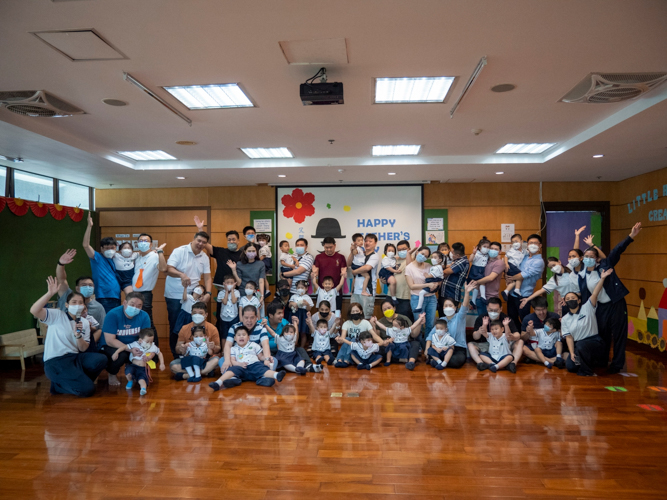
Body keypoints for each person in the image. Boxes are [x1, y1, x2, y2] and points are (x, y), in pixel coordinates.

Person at [576, 222, 642, 374]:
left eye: (591, 256)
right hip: (601, 307)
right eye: (585, 257)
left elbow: (617, 250)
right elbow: (585, 294)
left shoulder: (606, 265)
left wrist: (631, 235)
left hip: (616, 303)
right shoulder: (582, 276)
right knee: (602, 334)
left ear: (597, 259)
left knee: (619, 334)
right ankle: (602, 360)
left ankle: (617, 364)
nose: (587, 259)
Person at [30, 277, 107, 397]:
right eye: (74, 302)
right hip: (56, 361)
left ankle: (79, 380)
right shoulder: (56, 315)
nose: (77, 305)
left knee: (101, 359)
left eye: (80, 303)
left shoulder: (85, 323)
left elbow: (82, 348)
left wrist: (78, 335)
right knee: (88, 391)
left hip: (75, 358)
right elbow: (34, 310)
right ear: (67, 304)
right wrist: (49, 293)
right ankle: (59, 386)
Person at [165, 231, 212, 355]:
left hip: (194, 296)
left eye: (204, 242)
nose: (201, 244)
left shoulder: (204, 257)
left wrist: (208, 294)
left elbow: (207, 277)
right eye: (199, 241)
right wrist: (181, 275)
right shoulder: (179, 251)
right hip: (175, 295)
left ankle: (192, 353)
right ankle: (177, 355)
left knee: (193, 325)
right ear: (193, 239)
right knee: (176, 326)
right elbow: (167, 270)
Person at [194, 216, 243, 330]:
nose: (231, 241)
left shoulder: (242, 255)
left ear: (238, 241)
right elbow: (205, 245)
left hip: (237, 290)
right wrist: (200, 229)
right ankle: (221, 340)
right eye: (229, 239)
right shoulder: (221, 251)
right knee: (221, 316)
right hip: (221, 289)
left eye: (233, 239)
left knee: (235, 316)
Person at [563, 268, 614, 376]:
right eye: (568, 299)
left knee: (581, 345)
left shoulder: (587, 307)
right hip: (579, 346)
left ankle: (586, 372)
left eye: (573, 298)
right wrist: (572, 353)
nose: (570, 300)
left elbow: (595, 292)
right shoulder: (565, 319)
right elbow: (569, 337)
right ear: (565, 302)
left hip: (595, 342)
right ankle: (586, 362)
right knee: (571, 366)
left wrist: (602, 278)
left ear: (579, 300)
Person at [209, 325, 286, 391]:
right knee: (231, 370)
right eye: (239, 335)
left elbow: (260, 356)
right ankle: (218, 383)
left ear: (248, 337)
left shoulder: (254, 345)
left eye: (244, 335)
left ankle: (276, 375)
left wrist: (267, 358)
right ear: (235, 338)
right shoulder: (233, 348)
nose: (241, 336)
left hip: (254, 365)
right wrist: (239, 364)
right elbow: (232, 361)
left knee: (262, 368)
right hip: (240, 367)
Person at [100, 292, 151, 386]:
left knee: (149, 354)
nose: (135, 308)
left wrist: (143, 349)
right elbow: (110, 340)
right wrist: (130, 349)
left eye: (139, 306)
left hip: (134, 345)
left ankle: (135, 371)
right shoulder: (113, 314)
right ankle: (112, 373)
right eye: (132, 304)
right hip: (112, 346)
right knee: (121, 355)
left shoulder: (144, 316)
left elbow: (145, 337)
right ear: (125, 303)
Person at [427, 281, 476, 369]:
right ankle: (441, 361)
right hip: (442, 348)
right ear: (443, 308)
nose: (448, 307)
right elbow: (430, 335)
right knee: (430, 353)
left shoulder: (459, 317)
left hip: (458, 348)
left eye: (451, 305)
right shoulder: (442, 320)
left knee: (456, 361)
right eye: (446, 305)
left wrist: (467, 292)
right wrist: (427, 349)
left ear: (455, 307)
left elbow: (464, 306)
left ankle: (439, 362)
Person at [55, 248, 106, 327]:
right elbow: (61, 280)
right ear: (77, 288)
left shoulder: (98, 307)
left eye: (90, 285)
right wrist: (60, 264)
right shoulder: (67, 295)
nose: (88, 287)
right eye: (84, 285)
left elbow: (101, 329)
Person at [131, 233, 167, 343]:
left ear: (150, 244)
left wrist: (160, 252)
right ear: (137, 244)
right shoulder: (137, 257)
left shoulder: (154, 256)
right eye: (141, 241)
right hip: (133, 293)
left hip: (145, 294)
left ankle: (154, 349)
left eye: (146, 241)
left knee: (148, 322)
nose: (143, 243)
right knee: (136, 321)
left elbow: (163, 268)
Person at [82, 212, 121, 312]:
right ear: (102, 249)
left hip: (116, 296)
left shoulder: (117, 258)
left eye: (112, 248)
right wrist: (89, 226)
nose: (110, 250)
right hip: (103, 297)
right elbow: (86, 245)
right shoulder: (97, 258)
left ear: (116, 248)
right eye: (107, 248)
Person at [468, 297, 520, 371]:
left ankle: (512, 364)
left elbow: (517, 335)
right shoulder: (482, 318)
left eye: (495, 310)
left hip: (503, 345)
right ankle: (481, 364)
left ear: (501, 309)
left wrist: (512, 337)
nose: (493, 312)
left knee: (520, 342)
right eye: (490, 310)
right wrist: (480, 331)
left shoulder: (506, 319)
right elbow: (475, 337)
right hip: (486, 345)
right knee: (470, 345)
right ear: (487, 308)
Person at [171, 303, 221, 380]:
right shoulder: (184, 328)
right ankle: (203, 373)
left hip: (204, 360)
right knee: (173, 365)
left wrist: (213, 347)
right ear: (191, 313)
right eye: (194, 313)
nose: (197, 315)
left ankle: (187, 375)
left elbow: (218, 348)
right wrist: (182, 349)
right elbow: (177, 348)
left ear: (206, 314)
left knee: (217, 360)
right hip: (189, 360)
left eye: (200, 313)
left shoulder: (212, 328)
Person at [219, 305, 273, 374]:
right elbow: (228, 345)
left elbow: (265, 344)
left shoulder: (261, 328)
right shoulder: (234, 327)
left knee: (273, 360)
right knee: (222, 360)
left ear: (256, 317)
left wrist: (267, 359)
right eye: (246, 318)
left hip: (255, 361)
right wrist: (227, 361)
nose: (249, 321)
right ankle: (258, 375)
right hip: (238, 361)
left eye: (252, 318)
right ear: (242, 317)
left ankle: (239, 375)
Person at [506, 234, 545, 328]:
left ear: (540, 245)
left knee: (525, 320)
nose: (533, 245)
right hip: (512, 293)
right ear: (527, 244)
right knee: (512, 318)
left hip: (524, 295)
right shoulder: (524, 256)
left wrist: (510, 278)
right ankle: (517, 337)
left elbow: (522, 275)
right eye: (530, 243)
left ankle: (527, 340)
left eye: (535, 243)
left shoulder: (539, 261)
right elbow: (512, 265)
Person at [111, 328, 165, 395]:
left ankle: (143, 389)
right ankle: (130, 381)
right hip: (133, 366)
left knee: (142, 380)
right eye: (147, 341)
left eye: (151, 341)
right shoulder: (135, 344)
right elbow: (124, 347)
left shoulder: (152, 347)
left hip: (142, 368)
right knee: (128, 373)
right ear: (140, 340)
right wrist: (116, 352)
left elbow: (160, 353)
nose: (150, 343)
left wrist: (162, 363)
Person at [334, 303, 384, 367]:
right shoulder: (346, 323)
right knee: (347, 339)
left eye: (357, 311)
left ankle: (347, 360)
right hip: (351, 344)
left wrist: (382, 342)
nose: (355, 313)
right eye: (353, 311)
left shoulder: (365, 323)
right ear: (350, 313)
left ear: (361, 311)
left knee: (354, 339)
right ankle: (340, 360)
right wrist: (338, 339)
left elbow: (374, 335)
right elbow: (342, 338)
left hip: (361, 348)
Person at [376, 299, 420, 369]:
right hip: (390, 346)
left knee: (415, 344)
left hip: (404, 345)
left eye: (389, 308)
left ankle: (411, 362)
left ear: (394, 308)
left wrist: (420, 323)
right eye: (384, 309)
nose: (387, 310)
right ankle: (402, 359)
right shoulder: (380, 322)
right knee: (378, 349)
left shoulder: (404, 318)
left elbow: (413, 334)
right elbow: (377, 338)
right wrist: (385, 342)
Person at [404, 246, 438, 335]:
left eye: (426, 256)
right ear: (417, 252)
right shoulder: (409, 268)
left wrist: (435, 284)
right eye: (422, 254)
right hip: (417, 298)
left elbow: (435, 279)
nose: (423, 257)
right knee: (418, 323)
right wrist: (427, 285)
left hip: (431, 298)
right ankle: (418, 346)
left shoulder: (429, 266)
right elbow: (411, 286)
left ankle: (428, 345)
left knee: (430, 324)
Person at [347, 234, 380, 319]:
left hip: (367, 292)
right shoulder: (360, 253)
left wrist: (354, 271)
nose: (367, 243)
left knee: (366, 317)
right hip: (355, 292)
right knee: (353, 317)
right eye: (366, 241)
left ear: (375, 243)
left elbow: (367, 268)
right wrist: (352, 252)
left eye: (370, 241)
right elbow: (348, 264)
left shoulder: (374, 255)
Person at [468, 241, 504, 317]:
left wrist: (475, 282)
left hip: (491, 297)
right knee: (481, 321)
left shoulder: (499, 263)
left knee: (492, 323)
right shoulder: (485, 260)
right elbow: (471, 260)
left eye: (496, 249)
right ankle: (473, 301)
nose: (493, 250)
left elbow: (491, 278)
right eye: (491, 248)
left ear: (500, 251)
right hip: (479, 297)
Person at [312, 237, 347, 311]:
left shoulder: (341, 257)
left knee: (336, 314)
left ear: (335, 245)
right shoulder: (319, 257)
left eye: (330, 247)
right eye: (326, 247)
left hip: (336, 291)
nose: (328, 249)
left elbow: (343, 271)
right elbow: (316, 271)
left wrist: (344, 273)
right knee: (322, 313)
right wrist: (314, 273)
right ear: (323, 246)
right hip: (322, 291)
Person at [229, 243, 266, 309]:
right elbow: (239, 283)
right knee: (244, 316)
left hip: (256, 294)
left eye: (253, 251)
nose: (251, 253)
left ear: (256, 252)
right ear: (245, 252)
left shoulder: (261, 264)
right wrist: (234, 270)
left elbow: (261, 281)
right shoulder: (239, 264)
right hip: (243, 294)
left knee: (257, 315)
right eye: (249, 251)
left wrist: (262, 296)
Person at [439, 243, 470, 316]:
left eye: (452, 252)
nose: (450, 253)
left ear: (458, 255)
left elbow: (445, 272)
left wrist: (441, 272)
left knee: (450, 316)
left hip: (451, 293)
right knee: (443, 317)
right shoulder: (457, 260)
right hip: (445, 293)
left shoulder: (462, 261)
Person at [502, 234, 526, 301]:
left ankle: (506, 291)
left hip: (515, 267)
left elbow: (528, 253)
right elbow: (506, 256)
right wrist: (506, 264)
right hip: (511, 265)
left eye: (516, 241)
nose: (515, 243)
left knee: (514, 281)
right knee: (520, 276)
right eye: (513, 242)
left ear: (521, 241)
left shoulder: (524, 251)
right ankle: (517, 290)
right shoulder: (512, 250)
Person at [468, 237, 490, 308]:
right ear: (479, 247)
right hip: (476, 270)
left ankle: (473, 301)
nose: (486, 248)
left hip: (482, 270)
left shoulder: (487, 255)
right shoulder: (477, 254)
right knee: (482, 281)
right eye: (484, 246)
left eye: (488, 247)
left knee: (477, 286)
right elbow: (470, 260)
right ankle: (483, 297)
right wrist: (473, 253)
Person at [217, 275, 240, 341]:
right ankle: (224, 350)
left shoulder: (236, 292)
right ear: (224, 284)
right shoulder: (221, 293)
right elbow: (224, 302)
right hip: (224, 317)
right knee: (224, 335)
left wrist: (232, 290)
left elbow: (234, 301)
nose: (229, 284)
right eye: (227, 283)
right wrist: (226, 291)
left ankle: (232, 350)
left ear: (235, 284)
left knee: (233, 334)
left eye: (231, 283)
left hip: (234, 317)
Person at [256, 233, 272, 298]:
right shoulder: (266, 247)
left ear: (266, 241)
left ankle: (267, 290)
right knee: (264, 277)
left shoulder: (264, 248)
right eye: (260, 240)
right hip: (267, 262)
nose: (261, 241)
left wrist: (257, 261)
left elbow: (263, 256)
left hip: (265, 262)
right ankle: (267, 290)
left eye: (263, 240)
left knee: (263, 277)